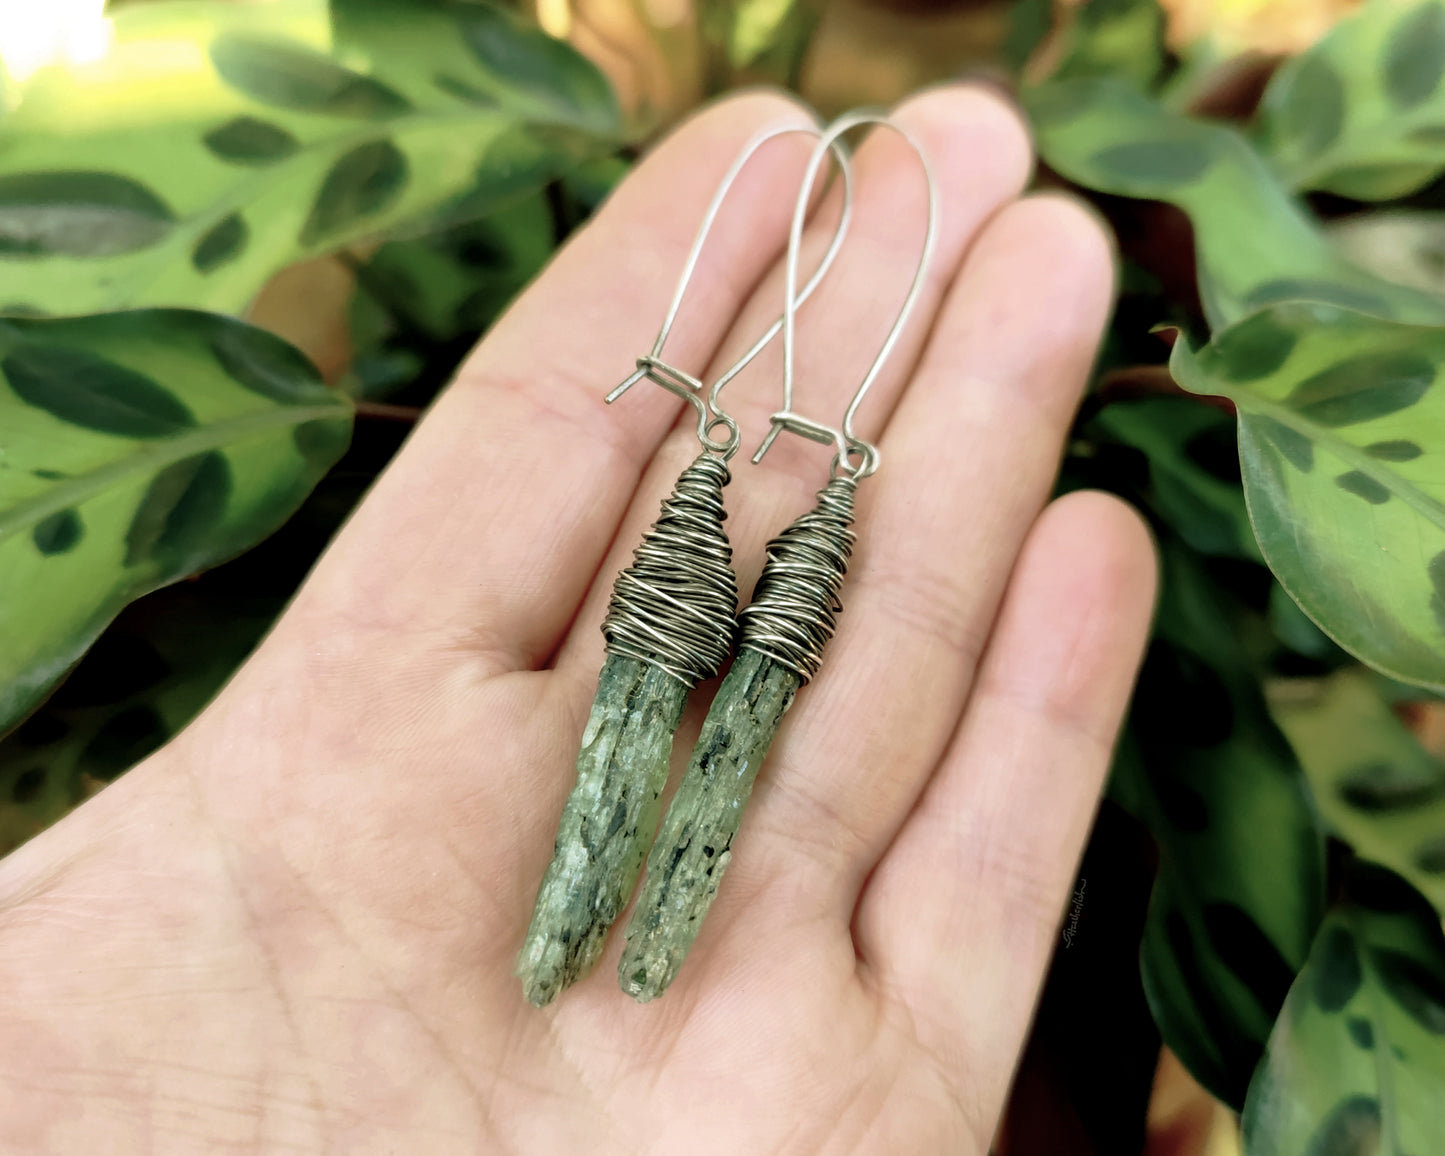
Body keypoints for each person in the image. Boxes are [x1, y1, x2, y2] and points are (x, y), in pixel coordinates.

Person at [0, 84, 1156, 1152]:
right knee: (648, 733)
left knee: (719, 755)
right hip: (704, 554)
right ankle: (579, 944)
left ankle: (627, 948)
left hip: (768, 536)